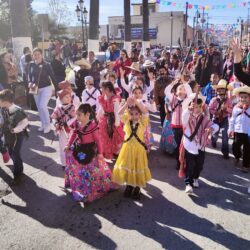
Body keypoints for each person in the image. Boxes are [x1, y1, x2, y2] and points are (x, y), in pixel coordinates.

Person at [64, 104, 114, 203]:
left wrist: (100, 153)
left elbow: (98, 141)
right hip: (79, 149)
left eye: (79, 115)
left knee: (92, 171)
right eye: (76, 114)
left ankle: (91, 189)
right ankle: (80, 187)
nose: (77, 117)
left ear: (87, 114)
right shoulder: (77, 124)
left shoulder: (93, 125)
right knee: (79, 169)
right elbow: (74, 134)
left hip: (90, 150)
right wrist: (68, 145)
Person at [112, 97, 151, 199]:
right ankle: (129, 185)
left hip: (138, 149)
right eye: (132, 114)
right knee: (128, 166)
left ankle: (137, 186)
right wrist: (126, 104)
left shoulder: (143, 122)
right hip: (127, 149)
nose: (134, 116)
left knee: (137, 166)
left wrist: (137, 102)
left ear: (139, 115)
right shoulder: (127, 121)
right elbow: (119, 113)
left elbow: (146, 112)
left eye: (136, 114)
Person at [181, 93, 219, 194]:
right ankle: (188, 184)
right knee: (190, 165)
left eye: (198, 107)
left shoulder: (204, 118)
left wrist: (211, 128)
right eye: (194, 106)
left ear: (201, 108)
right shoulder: (187, 116)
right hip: (189, 144)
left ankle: (195, 178)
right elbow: (184, 120)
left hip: (201, 145)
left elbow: (215, 126)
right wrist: (189, 109)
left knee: (199, 165)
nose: (196, 109)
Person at [0, 89, 29, 184]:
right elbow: (3, 120)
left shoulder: (17, 110)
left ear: (5, 101)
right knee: (12, 153)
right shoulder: (3, 109)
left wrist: (15, 129)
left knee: (15, 154)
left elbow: (25, 123)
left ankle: (18, 174)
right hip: (7, 135)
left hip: (17, 136)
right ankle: (19, 169)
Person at [164, 78, 193, 170]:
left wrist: (185, 83)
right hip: (175, 126)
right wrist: (173, 83)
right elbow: (166, 91)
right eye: (180, 89)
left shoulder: (188, 99)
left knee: (185, 145)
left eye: (184, 89)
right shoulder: (173, 98)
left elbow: (190, 92)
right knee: (177, 145)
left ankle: (185, 161)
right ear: (176, 91)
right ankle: (178, 161)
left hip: (185, 126)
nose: (182, 91)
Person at [28, 48, 58, 134]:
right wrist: (29, 82)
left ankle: (48, 125)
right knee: (39, 108)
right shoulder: (31, 64)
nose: (36, 56)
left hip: (46, 88)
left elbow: (52, 76)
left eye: (38, 54)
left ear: (41, 55)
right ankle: (43, 124)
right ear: (32, 55)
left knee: (42, 106)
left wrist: (56, 89)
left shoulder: (46, 65)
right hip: (35, 89)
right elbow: (29, 76)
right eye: (35, 54)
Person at [97, 82, 124, 160]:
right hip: (105, 120)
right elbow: (101, 109)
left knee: (116, 136)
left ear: (107, 89)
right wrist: (97, 118)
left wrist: (117, 123)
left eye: (102, 89)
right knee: (105, 136)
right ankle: (109, 152)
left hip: (114, 120)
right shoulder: (103, 97)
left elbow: (116, 111)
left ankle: (117, 152)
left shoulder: (115, 98)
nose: (100, 90)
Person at [51, 89, 76, 168]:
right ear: (61, 99)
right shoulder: (58, 108)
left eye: (69, 97)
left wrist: (67, 123)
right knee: (62, 146)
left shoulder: (73, 107)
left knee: (72, 145)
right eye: (66, 97)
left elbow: (75, 117)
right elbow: (53, 117)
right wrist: (56, 123)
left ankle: (73, 161)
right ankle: (64, 163)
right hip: (62, 130)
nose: (69, 98)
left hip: (71, 130)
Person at [209, 79, 233, 159]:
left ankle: (225, 152)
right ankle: (213, 140)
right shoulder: (214, 100)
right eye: (220, 89)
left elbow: (231, 110)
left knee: (224, 135)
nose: (221, 91)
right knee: (215, 134)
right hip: (215, 119)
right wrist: (216, 112)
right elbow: (210, 109)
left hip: (224, 120)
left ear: (226, 91)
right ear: (217, 91)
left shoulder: (228, 100)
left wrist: (226, 109)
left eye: (223, 89)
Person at [229, 86, 250, 173]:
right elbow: (232, 119)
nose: (243, 99)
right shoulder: (236, 108)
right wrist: (230, 129)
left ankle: (245, 165)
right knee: (235, 146)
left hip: (248, 132)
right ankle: (237, 156)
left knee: (247, 149)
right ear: (239, 98)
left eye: (245, 97)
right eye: (241, 97)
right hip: (238, 131)